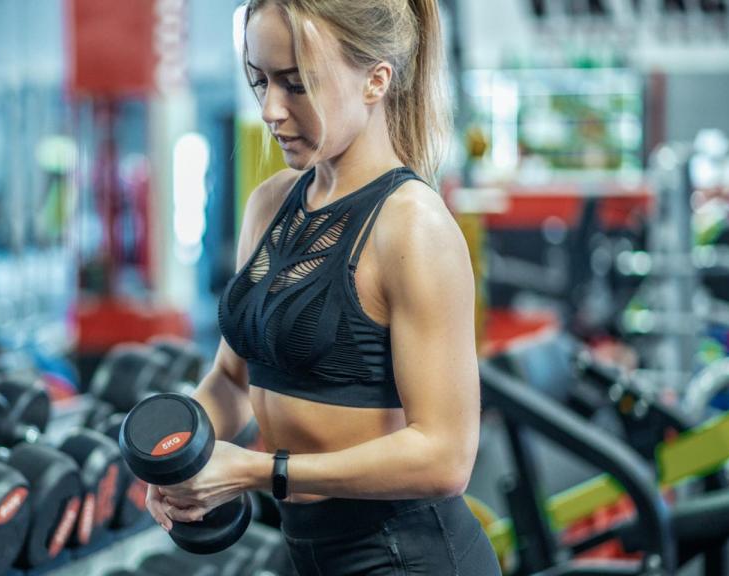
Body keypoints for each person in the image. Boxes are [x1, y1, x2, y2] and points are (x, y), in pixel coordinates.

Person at [147, 1, 500, 574]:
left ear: (376, 79)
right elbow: (233, 382)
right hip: (307, 552)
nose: (269, 110)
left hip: (406, 557)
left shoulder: (411, 224)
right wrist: (179, 457)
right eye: (260, 81)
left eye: (297, 85)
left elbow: (444, 457)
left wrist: (259, 471)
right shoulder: (269, 204)